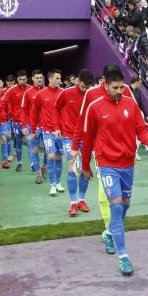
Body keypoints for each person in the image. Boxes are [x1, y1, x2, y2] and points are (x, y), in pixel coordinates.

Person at [81, 68, 148, 276]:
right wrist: (86, 165)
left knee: (125, 205)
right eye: (115, 87)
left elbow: (140, 128)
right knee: (115, 206)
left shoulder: (130, 103)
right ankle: (123, 256)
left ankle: (108, 233)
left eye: (121, 87)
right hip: (106, 163)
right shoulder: (95, 107)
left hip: (127, 164)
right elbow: (88, 138)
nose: (119, 91)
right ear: (105, 84)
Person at [54, 69, 93, 216]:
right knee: (71, 165)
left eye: (88, 87)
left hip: (87, 137)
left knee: (85, 168)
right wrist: (57, 127)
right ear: (77, 81)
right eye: (83, 86)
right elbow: (56, 109)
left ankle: (82, 200)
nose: (85, 89)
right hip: (68, 135)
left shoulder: (92, 94)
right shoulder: (66, 93)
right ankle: (73, 203)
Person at [31, 69, 65, 196]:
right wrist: (33, 130)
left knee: (59, 157)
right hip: (47, 131)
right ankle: (52, 185)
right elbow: (34, 113)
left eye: (60, 78)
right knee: (51, 155)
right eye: (57, 78)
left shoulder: (63, 93)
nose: (59, 81)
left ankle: (58, 182)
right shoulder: (41, 94)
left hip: (61, 131)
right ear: (50, 79)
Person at [21, 70, 45, 181]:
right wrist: (24, 126)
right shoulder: (28, 93)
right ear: (33, 79)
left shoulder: (47, 91)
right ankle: (38, 174)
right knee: (34, 149)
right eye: (37, 78)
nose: (39, 79)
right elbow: (24, 110)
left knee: (49, 151)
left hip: (47, 126)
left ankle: (44, 166)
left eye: (41, 77)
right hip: (32, 127)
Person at [4, 70, 30, 172]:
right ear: (17, 80)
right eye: (20, 79)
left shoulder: (31, 89)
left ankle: (33, 164)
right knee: (18, 143)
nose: (22, 81)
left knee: (30, 143)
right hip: (16, 122)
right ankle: (19, 163)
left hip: (28, 122)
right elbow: (2, 103)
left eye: (24, 79)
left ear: (27, 79)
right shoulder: (11, 90)